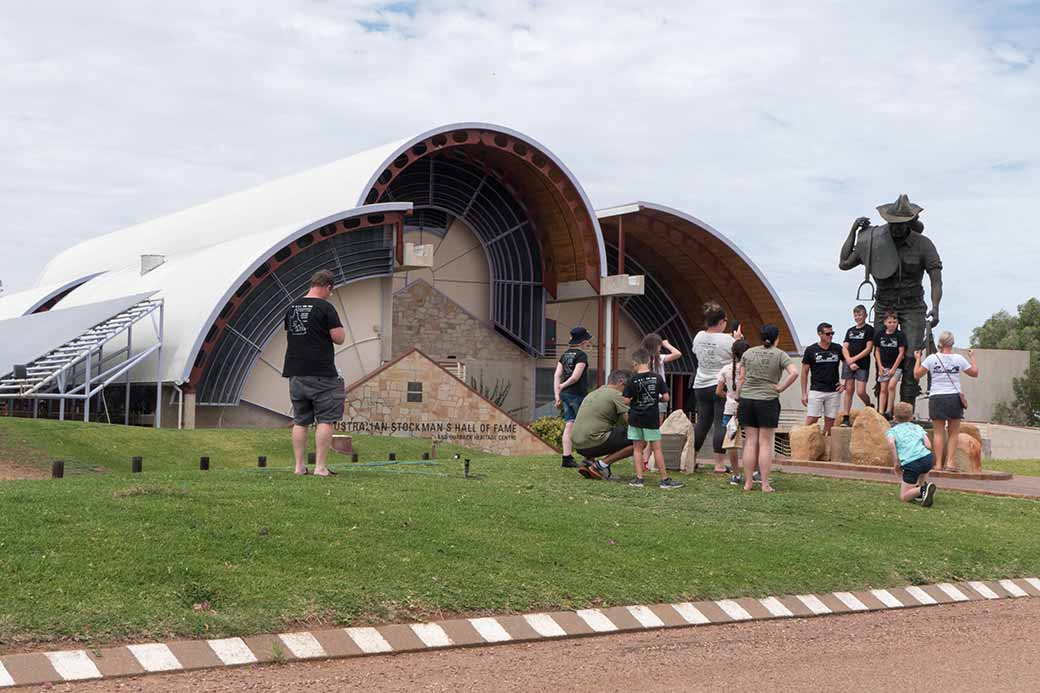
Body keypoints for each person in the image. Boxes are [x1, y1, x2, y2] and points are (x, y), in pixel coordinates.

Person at [282, 270, 346, 477]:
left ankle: (299, 466)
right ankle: (320, 467)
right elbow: (339, 338)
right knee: (326, 419)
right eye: (331, 291)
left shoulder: (292, 307)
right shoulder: (326, 308)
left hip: (296, 372)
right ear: (328, 287)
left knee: (300, 420)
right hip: (321, 373)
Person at [737, 324, 798, 493]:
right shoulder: (780, 355)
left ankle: (748, 483)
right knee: (765, 443)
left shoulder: (748, 353)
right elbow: (794, 372)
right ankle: (764, 484)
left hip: (747, 400)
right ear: (777, 338)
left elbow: (741, 378)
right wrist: (780, 387)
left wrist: (738, 396)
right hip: (768, 400)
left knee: (750, 442)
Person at [914, 332, 979, 471]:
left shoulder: (932, 358)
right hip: (954, 397)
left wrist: (917, 359)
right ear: (952, 343)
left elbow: (917, 374)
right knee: (953, 432)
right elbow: (975, 373)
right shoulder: (958, 359)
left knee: (938, 432)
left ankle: (937, 463)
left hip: (937, 396)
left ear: (940, 343)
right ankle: (949, 462)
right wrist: (972, 357)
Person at [623, 349, 683, 489]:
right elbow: (666, 397)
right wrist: (657, 398)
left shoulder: (632, 380)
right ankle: (664, 479)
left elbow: (626, 401)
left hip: (636, 418)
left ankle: (639, 479)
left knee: (637, 449)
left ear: (635, 362)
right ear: (649, 360)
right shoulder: (657, 377)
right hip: (652, 418)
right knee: (657, 449)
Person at [691, 302, 735, 473]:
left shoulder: (699, 336)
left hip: (700, 384)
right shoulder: (728, 340)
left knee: (702, 422)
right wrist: (737, 340)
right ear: (722, 321)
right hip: (720, 385)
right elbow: (738, 356)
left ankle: (690, 458)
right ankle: (719, 464)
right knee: (720, 423)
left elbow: (696, 352)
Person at [574, 370, 634, 481]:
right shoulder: (617, 395)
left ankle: (587, 462)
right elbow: (631, 422)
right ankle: (599, 466)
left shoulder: (594, 393)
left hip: (578, 444)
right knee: (639, 439)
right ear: (621, 383)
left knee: (611, 431)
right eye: (628, 387)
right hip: (594, 441)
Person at [640, 332, 683, 471]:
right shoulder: (659, 360)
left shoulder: (643, 360)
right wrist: (667, 344)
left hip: (646, 398)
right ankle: (648, 458)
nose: (660, 348)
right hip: (659, 397)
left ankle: (645, 459)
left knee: (647, 429)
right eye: (659, 345)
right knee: (655, 429)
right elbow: (677, 353)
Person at [554, 326, 592, 468]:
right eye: (587, 340)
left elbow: (557, 374)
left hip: (566, 396)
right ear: (583, 342)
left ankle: (567, 457)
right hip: (577, 394)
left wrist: (557, 395)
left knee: (569, 424)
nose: (588, 343)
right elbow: (576, 377)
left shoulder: (564, 355)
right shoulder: (581, 356)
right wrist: (564, 385)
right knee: (585, 426)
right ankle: (589, 457)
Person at [886, 402, 937, 506]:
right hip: (926, 458)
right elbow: (928, 445)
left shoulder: (893, 431)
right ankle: (922, 490)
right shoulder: (918, 428)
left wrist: (896, 462)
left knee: (904, 496)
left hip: (911, 462)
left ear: (894, 417)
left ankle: (922, 489)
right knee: (924, 469)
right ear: (912, 417)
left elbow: (891, 443)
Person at [716, 339, 750, 485]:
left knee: (731, 442)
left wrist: (729, 396)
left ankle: (736, 474)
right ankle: (753, 472)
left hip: (730, 409)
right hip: (748, 407)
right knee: (751, 441)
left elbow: (718, 391)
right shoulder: (750, 369)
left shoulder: (725, 369)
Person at [800, 322, 844, 435]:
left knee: (830, 424)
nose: (831, 336)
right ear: (820, 334)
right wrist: (804, 393)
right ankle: (803, 444)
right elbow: (804, 372)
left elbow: (848, 365)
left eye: (832, 333)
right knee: (811, 419)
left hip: (833, 391)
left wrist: (845, 383)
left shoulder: (838, 348)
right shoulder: (811, 350)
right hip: (816, 390)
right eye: (828, 333)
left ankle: (827, 451)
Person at [839, 305, 875, 426]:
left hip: (862, 363)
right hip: (849, 363)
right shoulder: (850, 330)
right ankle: (846, 416)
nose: (858, 317)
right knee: (849, 389)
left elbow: (869, 348)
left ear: (865, 315)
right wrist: (849, 360)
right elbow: (844, 347)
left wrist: (854, 359)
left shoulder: (869, 329)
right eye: (856, 315)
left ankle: (869, 405)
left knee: (860, 391)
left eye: (860, 315)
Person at [875, 311, 907, 420]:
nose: (892, 324)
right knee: (883, 388)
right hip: (884, 365)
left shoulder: (900, 335)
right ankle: (880, 411)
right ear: (885, 323)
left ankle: (889, 410)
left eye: (894, 322)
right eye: (890, 322)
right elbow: (877, 350)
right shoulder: (880, 334)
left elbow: (901, 352)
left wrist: (894, 368)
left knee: (891, 386)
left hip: (896, 366)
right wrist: (879, 366)